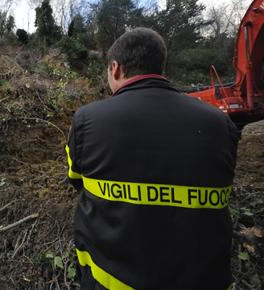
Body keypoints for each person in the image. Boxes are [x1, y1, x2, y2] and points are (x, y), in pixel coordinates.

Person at [65, 27, 239, 290]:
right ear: (161, 67)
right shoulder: (221, 123)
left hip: (110, 280)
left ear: (115, 68)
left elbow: (76, 180)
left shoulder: (87, 121)